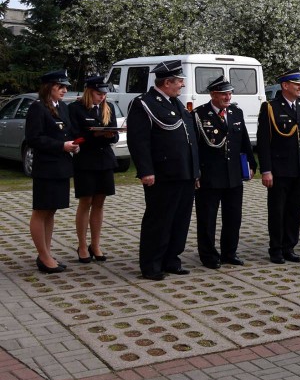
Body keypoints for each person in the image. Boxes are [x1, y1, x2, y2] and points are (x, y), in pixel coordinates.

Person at [127, 59, 200, 281]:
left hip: (184, 173)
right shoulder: (144, 103)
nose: (182, 86)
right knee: (159, 219)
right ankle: (151, 264)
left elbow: (190, 140)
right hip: (163, 174)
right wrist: (146, 170)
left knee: (180, 220)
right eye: (179, 81)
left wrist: (195, 171)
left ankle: (171, 259)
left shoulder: (176, 103)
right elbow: (138, 141)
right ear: (167, 82)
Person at [193, 76, 255, 269]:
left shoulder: (236, 112)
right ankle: (208, 255)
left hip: (233, 174)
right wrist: (196, 172)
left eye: (229, 93)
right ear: (213, 94)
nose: (228, 97)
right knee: (207, 218)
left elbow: (244, 141)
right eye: (223, 93)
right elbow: (194, 147)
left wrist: (252, 164)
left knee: (233, 217)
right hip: (210, 175)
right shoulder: (199, 114)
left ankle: (230, 252)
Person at [257, 69, 300, 264]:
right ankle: (276, 249)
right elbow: (264, 142)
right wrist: (266, 170)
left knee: (295, 210)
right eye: (296, 84)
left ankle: (289, 247)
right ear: (285, 86)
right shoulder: (270, 108)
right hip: (279, 169)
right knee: (277, 211)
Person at [25, 69, 79, 273]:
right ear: (49, 88)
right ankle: (44, 255)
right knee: (41, 210)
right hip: (46, 167)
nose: (64, 90)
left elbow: (68, 131)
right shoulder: (38, 109)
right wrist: (61, 146)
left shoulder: (62, 107)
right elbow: (34, 138)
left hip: (61, 166)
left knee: (51, 210)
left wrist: (75, 143)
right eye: (60, 87)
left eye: (65, 87)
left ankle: (46, 252)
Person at [67, 75, 118, 264]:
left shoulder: (108, 108)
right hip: (85, 161)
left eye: (104, 94)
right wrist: (93, 135)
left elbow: (113, 136)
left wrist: (109, 134)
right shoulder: (75, 108)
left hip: (104, 160)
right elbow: (74, 136)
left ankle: (95, 244)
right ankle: (82, 245)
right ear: (89, 92)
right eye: (99, 93)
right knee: (85, 201)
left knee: (99, 202)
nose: (102, 97)